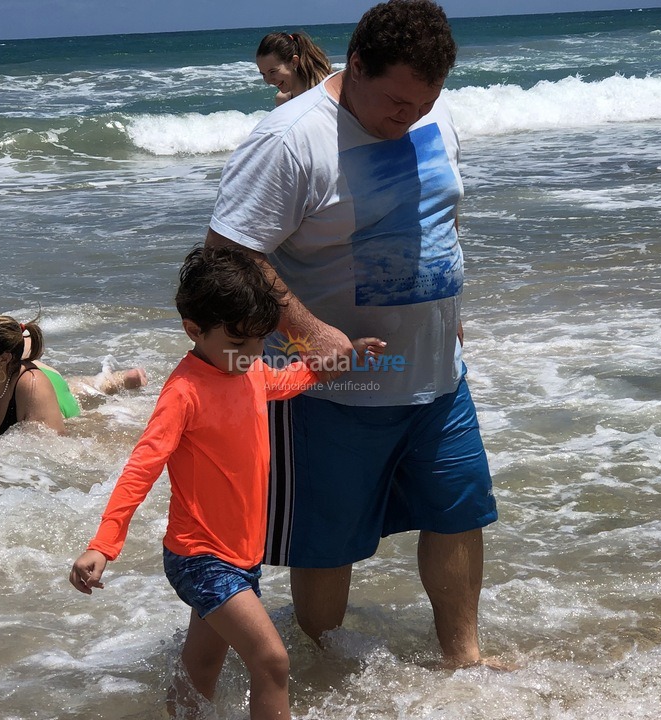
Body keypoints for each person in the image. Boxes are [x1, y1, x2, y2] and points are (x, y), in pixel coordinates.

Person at [206, 0, 498, 669]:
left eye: (425, 103)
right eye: (396, 102)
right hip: (332, 390)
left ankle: (466, 662)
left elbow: (441, 218)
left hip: (438, 375)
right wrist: (306, 332)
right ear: (356, 65)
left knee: (458, 513)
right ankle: (330, 675)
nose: (411, 118)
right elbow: (227, 251)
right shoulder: (291, 138)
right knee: (327, 544)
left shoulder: (430, 110)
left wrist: (452, 319)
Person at [69, 246, 383, 719]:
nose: (253, 354)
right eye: (239, 343)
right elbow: (141, 467)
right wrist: (103, 544)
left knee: (202, 667)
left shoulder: (247, 367)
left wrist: (343, 359)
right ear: (193, 330)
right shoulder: (184, 393)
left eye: (260, 341)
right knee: (272, 660)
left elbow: (286, 379)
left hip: (241, 554)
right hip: (200, 557)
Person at [0, 314, 147, 445]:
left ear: (3, 358)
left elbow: (52, 449)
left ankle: (119, 380)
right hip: (11, 374)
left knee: (76, 398)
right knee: (75, 388)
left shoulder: (34, 386)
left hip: (44, 385)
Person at [255, 31, 332, 106]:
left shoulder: (328, 92)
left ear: (294, 62)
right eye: (264, 74)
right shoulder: (283, 100)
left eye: (272, 72)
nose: (268, 81)